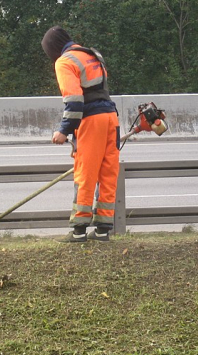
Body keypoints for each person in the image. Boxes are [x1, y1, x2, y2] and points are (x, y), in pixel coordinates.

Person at [41, 25, 120, 242]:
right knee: (107, 174)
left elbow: (75, 100)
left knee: (86, 174)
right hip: (111, 118)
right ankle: (103, 230)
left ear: (52, 48)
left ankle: (78, 231)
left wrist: (63, 131)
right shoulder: (93, 54)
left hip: (91, 121)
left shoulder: (64, 61)